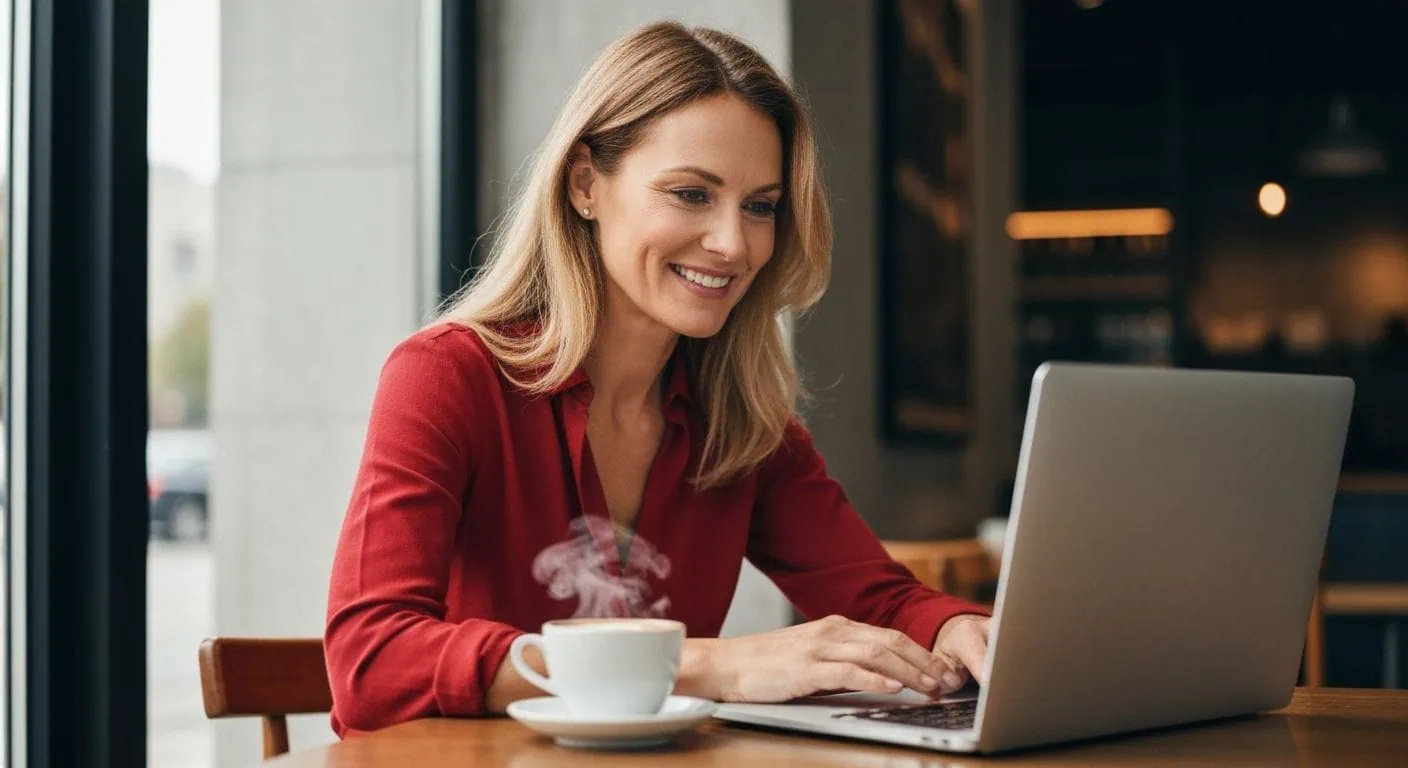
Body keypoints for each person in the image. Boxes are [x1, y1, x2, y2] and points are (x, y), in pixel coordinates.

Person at [324, 20, 991, 736]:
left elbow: (882, 600)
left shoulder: (741, 424)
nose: (733, 244)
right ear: (585, 184)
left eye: (760, 206)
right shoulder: (446, 377)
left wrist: (957, 627)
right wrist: (713, 666)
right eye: (691, 194)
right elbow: (371, 660)